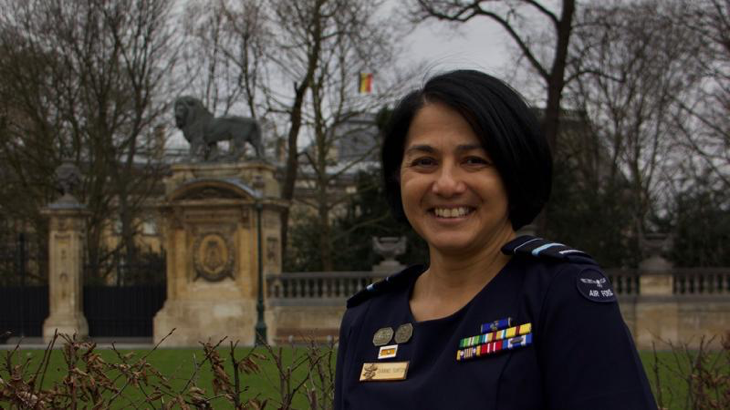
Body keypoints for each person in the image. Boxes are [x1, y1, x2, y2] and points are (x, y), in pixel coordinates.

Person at [334, 70, 657, 409]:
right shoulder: (366, 318)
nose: (446, 184)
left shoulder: (559, 295)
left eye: (473, 161)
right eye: (424, 161)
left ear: (514, 173)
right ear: (397, 177)